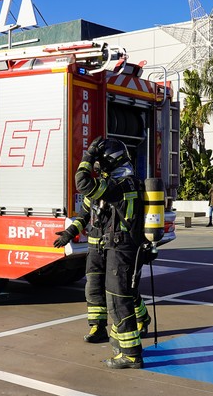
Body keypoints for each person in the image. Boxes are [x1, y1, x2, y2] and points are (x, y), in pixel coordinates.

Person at [53, 137, 148, 368]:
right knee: (112, 295)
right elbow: (86, 213)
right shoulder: (119, 184)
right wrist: (68, 233)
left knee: (120, 299)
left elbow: (82, 183)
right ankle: (123, 346)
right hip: (112, 245)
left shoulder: (124, 185)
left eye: (102, 165)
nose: (99, 170)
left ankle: (132, 353)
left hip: (121, 247)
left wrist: (88, 154)